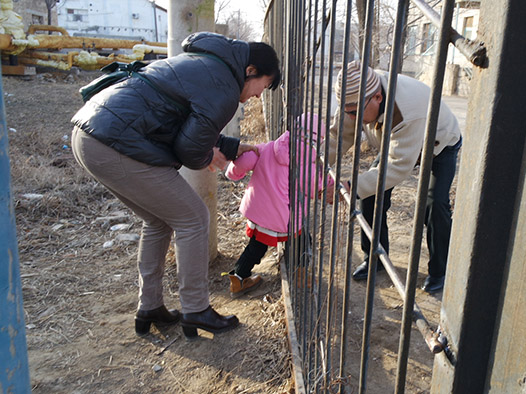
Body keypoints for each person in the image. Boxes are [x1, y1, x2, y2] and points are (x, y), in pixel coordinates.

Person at [71, 32, 281, 339]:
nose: (260, 96)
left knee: (158, 220)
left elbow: (188, 124)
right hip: (115, 141)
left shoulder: (208, 65)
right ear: (250, 71)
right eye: (264, 86)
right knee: (193, 218)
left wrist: (235, 147)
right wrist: (207, 155)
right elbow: (190, 149)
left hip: (92, 134)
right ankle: (195, 309)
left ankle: (150, 307)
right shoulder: (224, 86)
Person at [325, 60, 462, 293]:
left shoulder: (408, 110)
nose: (353, 119)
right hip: (395, 142)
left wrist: (350, 186)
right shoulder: (356, 97)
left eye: (355, 113)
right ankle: (375, 258)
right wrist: (315, 164)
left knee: (435, 204)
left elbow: (399, 167)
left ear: (377, 97)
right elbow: (338, 138)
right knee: (370, 196)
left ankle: (440, 271)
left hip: (438, 144)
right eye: (347, 113)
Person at [223, 113, 326, 296]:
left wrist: (233, 172)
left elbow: (244, 161)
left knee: (256, 246)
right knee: (303, 241)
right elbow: (314, 188)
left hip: (258, 212)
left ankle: (238, 279)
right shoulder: (304, 165)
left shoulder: (268, 148)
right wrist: (330, 185)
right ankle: (300, 276)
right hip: (282, 218)